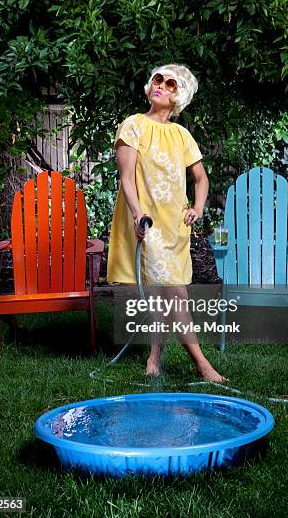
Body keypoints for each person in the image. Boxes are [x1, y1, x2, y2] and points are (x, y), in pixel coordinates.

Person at [107, 64, 226, 382]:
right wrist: (136, 214)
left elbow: (201, 179)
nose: (160, 85)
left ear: (179, 96)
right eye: (158, 79)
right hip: (149, 225)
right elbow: (127, 179)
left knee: (164, 295)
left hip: (176, 227)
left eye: (170, 84)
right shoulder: (133, 126)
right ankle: (202, 365)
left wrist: (198, 208)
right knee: (177, 295)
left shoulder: (181, 135)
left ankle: (153, 360)